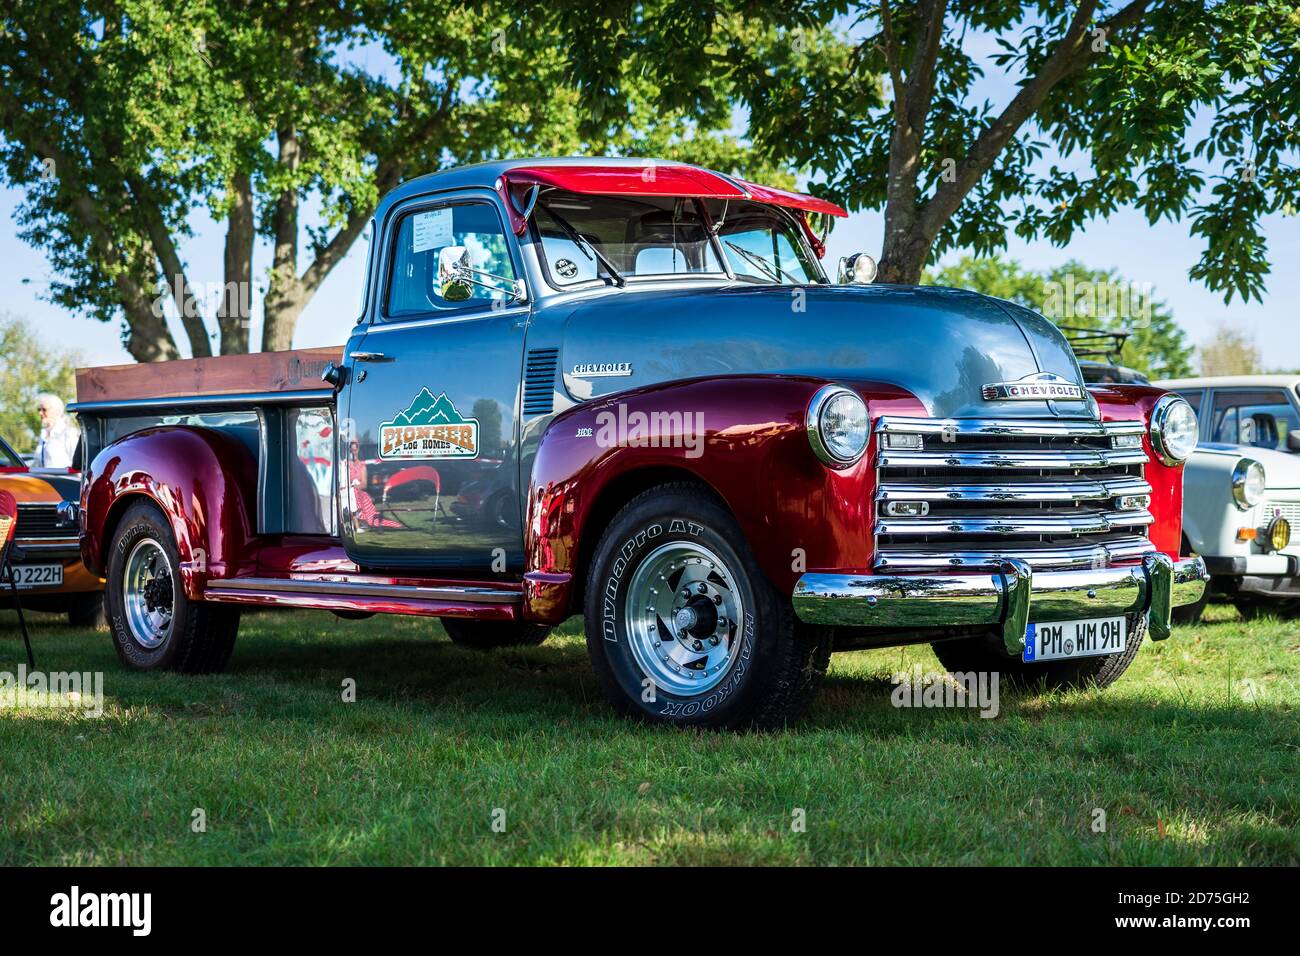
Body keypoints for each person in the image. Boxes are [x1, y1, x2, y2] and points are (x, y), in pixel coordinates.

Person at [33, 393, 80, 469]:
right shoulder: (43, 435)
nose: (40, 413)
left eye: (44, 409)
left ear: (57, 411)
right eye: (39, 409)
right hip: (44, 480)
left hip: (64, 480)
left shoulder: (69, 433)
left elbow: (77, 465)